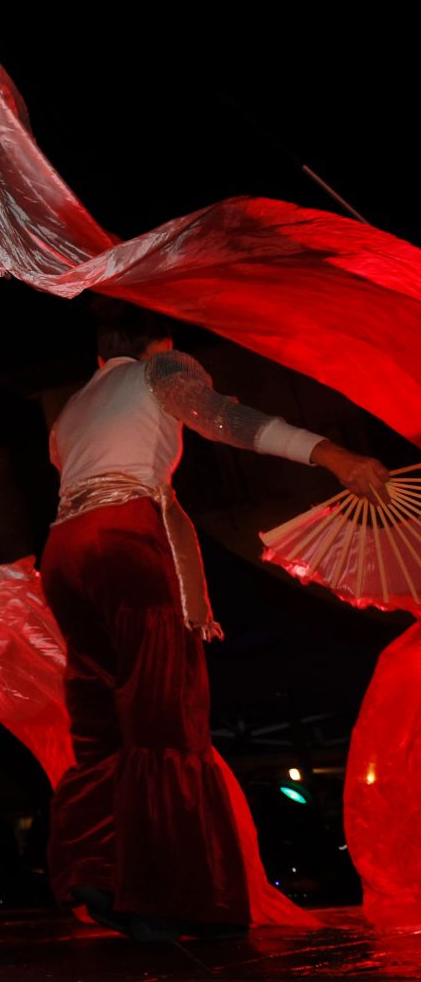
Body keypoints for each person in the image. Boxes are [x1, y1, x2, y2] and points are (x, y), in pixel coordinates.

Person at [43, 297, 391, 941]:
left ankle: (97, 867)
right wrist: (331, 454)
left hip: (63, 550)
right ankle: (170, 893)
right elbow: (224, 419)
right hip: (124, 537)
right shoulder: (161, 369)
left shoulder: (72, 407)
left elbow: (84, 471)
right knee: (162, 711)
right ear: (161, 342)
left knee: (101, 717)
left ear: (101, 350)